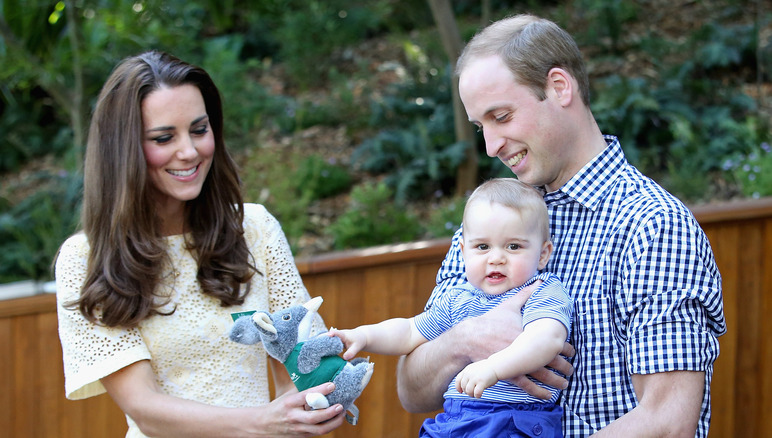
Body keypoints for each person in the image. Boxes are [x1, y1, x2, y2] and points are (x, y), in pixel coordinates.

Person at [396, 14, 726, 438]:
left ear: (559, 87)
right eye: (481, 127)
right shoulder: (491, 224)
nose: (491, 146)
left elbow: (667, 422)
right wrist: (465, 338)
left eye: (502, 116)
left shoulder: (653, 225)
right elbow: (411, 391)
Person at [54, 51, 345, 438]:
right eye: (163, 137)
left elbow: (299, 362)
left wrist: (308, 408)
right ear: (121, 149)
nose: (189, 151)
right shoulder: (85, 260)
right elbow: (146, 410)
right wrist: (267, 422)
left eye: (198, 129)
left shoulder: (254, 227)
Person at [330, 178, 573, 437]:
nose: (496, 258)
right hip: (455, 419)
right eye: (482, 247)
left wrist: (493, 368)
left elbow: (546, 338)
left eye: (513, 246)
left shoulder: (541, 290)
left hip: (513, 420)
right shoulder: (459, 298)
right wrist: (364, 336)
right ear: (463, 252)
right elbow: (409, 331)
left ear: (543, 254)